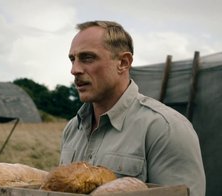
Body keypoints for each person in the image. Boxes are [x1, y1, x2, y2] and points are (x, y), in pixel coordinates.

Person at [60, 20, 205, 196]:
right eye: (72, 59)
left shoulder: (165, 128)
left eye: (87, 58)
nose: (74, 69)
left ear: (123, 62)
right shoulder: (72, 129)